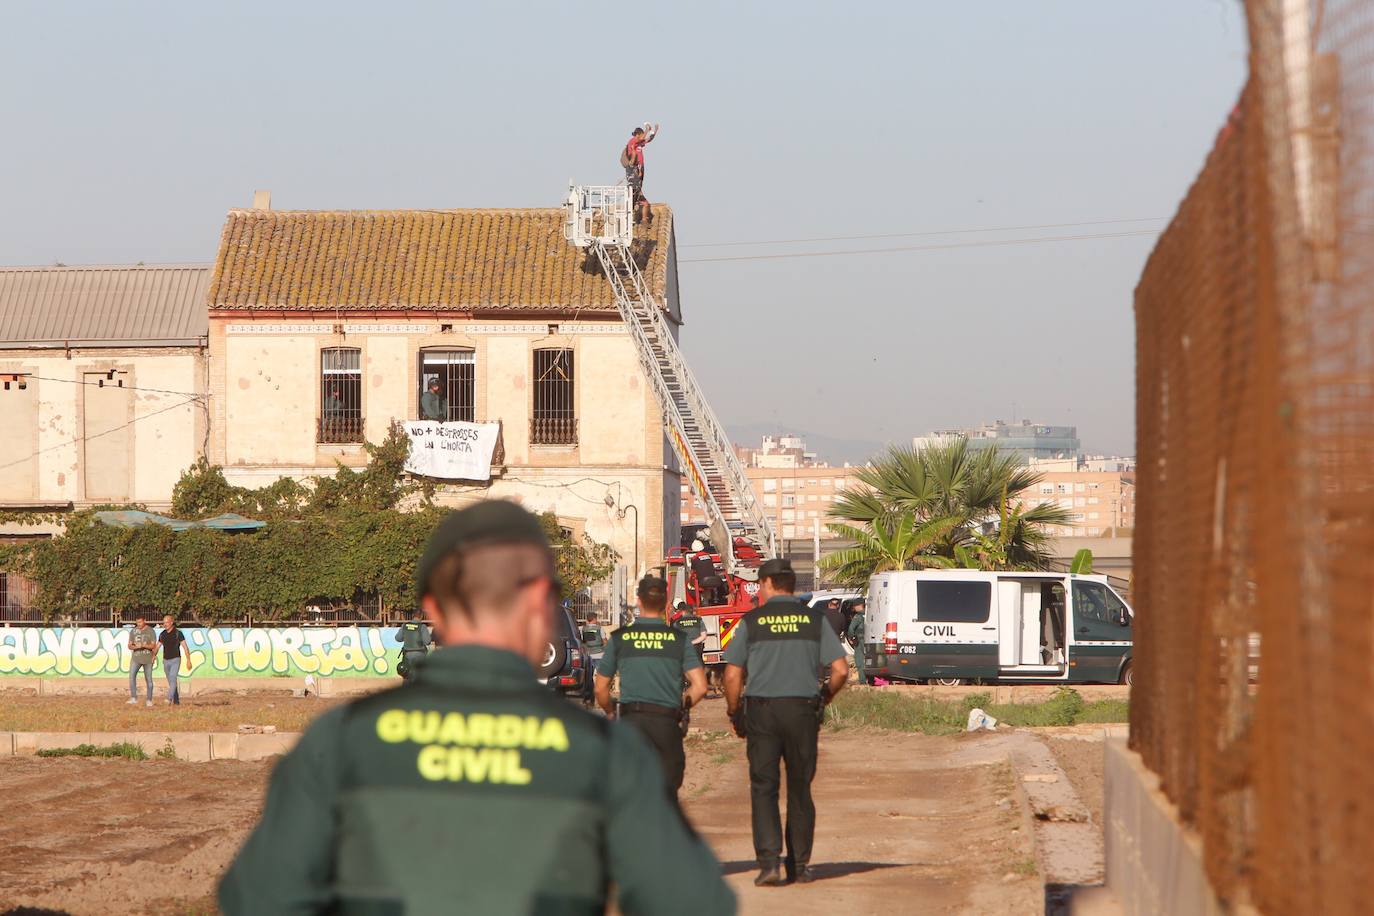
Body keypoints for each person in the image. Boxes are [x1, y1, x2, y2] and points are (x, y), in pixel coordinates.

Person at [219, 500, 734, 915]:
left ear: (433, 609)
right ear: (541, 607)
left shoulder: (339, 743)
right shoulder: (605, 756)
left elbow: (258, 896)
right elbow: (692, 901)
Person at [723, 558, 848, 887]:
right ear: (792, 584)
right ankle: (801, 865)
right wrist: (824, 697)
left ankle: (769, 865)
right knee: (800, 789)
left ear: (765, 584)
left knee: (764, 788)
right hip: (802, 711)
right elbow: (841, 670)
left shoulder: (752, 621)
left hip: (762, 712)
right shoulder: (814, 620)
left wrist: (735, 711)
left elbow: (733, 674)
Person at [594, 577, 708, 805]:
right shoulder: (678, 640)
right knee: (665, 799)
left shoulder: (620, 638)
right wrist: (682, 707)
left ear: (638, 601)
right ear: (666, 604)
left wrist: (609, 710)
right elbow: (701, 686)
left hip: (630, 724)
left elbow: (600, 687)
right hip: (666, 724)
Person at [621, 123, 659, 225]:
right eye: (642, 135)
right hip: (635, 166)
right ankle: (634, 207)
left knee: (639, 185)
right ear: (637, 134)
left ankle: (638, 208)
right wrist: (647, 130)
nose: (643, 136)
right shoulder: (632, 141)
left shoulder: (640, 143)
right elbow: (641, 139)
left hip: (641, 167)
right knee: (635, 187)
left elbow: (647, 140)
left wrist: (655, 132)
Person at [157, 615, 192, 705]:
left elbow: (185, 647)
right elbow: (157, 646)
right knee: (171, 681)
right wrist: (153, 656)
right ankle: (176, 701)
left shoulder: (178, 633)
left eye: (167, 622)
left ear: (172, 622)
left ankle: (169, 699)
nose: (165, 624)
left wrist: (188, 660)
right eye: (164, 622)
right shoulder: (162, 634)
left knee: (173, 678)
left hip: (176, 659)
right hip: (166, 660)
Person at [127, 616, 157, 707]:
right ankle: (133, 698)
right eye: (137, 622)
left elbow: (153, 645)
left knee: (149, 680)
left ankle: (149, 700)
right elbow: (129, 645)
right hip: (136, 658)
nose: (138, 624)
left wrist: (144, 645)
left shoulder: (150, 631)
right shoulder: (133, 631)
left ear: (144, 621)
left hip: (147, 659)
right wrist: (136, 647)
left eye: (140, 622)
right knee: (131, 677)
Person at [397, 607, 433, 682]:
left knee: (406, 676)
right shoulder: (422, 627)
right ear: (421, 616)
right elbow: (427, 641)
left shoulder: (405, 625)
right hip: (420, 655)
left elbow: (398, 638)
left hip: (407, 656)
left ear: (413, 615)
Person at [671, 600, 707, 666]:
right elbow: (703, 636)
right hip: (697, 647)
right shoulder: (699, 621)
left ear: (683, 612)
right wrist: (693, 642)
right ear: (692, 611)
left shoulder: (677, 623)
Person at [846, 601, 868, 686]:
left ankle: (863, 681)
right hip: (870, 640)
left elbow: (851, 629)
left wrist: (852, 637)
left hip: (860, 640)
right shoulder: (869, 613)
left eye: (855, 606)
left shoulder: (858, 616)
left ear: (859, 606)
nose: (854, 608)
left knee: (859, 660)